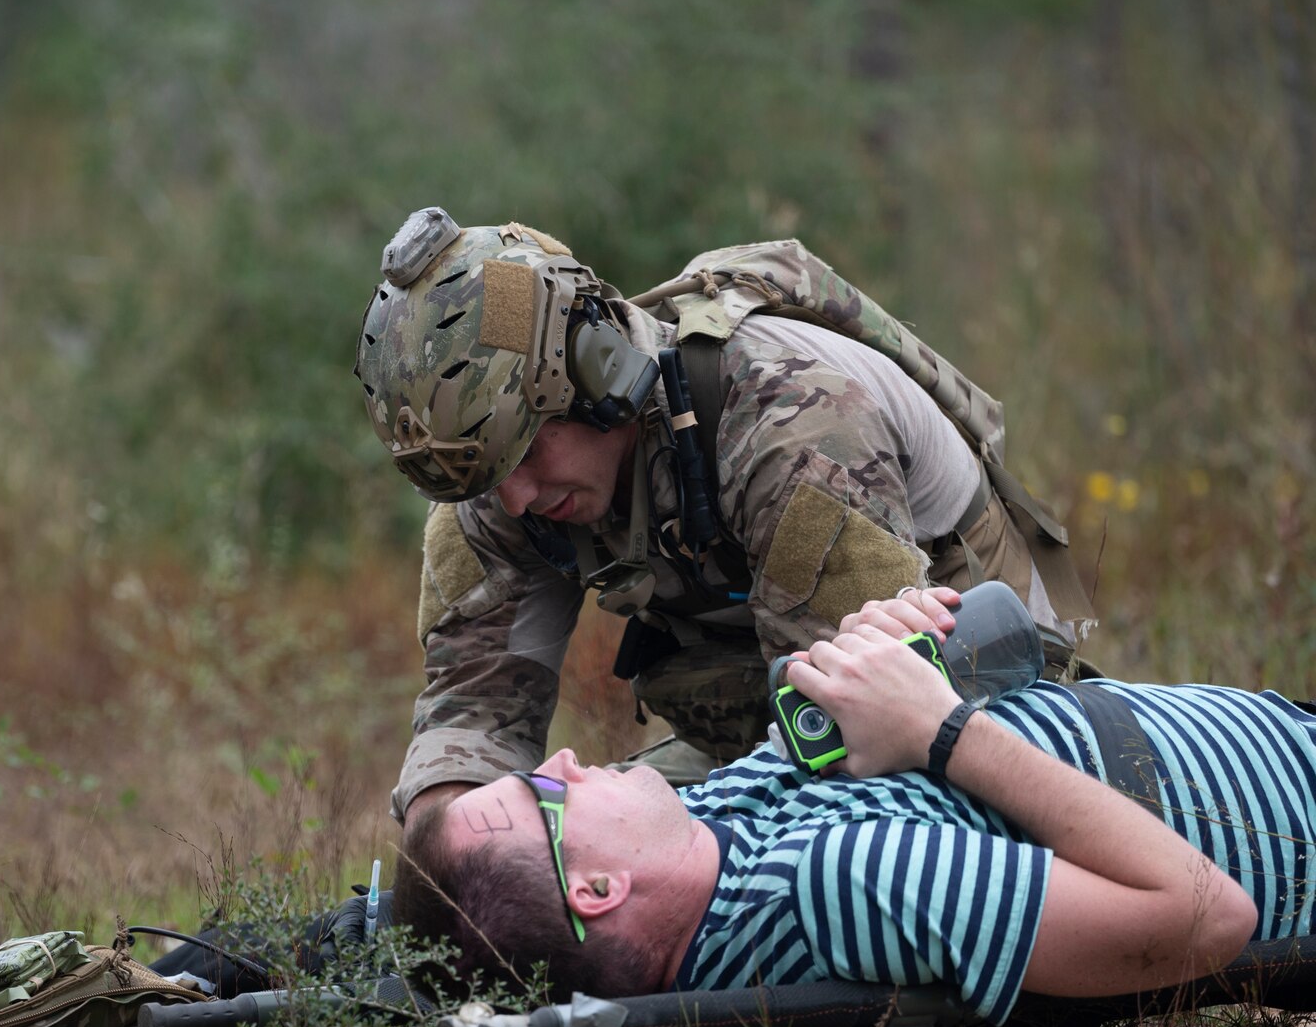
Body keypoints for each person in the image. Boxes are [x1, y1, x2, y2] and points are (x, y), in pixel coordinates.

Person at [353, 209, 1096, 849]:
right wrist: (452, 869)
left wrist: (632, 861)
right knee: (550, 858)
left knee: (631, 873)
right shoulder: (497, 473)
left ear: (596, 371)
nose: (512, 499)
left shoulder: (791, 425)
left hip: (974, 717)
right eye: (484, 476)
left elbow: (856, 742)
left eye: (524, 453)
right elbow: (474, 717)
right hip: (783, 732)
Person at [389, 587, 1313, 1026]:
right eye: (545, 791)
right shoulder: (836, 883)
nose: (561, 757)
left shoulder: (719, 820)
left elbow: (838, 727)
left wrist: (890, 647)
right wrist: (947, 730)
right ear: (595, 887)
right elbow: (1206, 916)